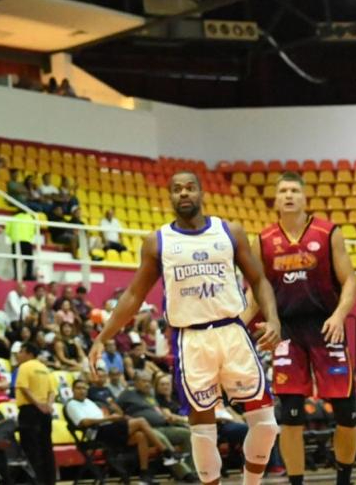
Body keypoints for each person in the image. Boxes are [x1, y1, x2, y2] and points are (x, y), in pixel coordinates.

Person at [89, 171, 282, 485]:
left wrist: (273, 319)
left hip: (233, 332)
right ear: (170, 196)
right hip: (190, 339)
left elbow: (259, 280)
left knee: (266, 425)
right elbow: (134, 295)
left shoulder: (229, 231)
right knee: (203, 432)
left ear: (201, 192)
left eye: (190, 188)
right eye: (177, 189)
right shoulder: (158, 241)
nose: (183, 193)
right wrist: (103, 336)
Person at [248, 172, 356, 485]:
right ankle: (296, 482)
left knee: (347, 414)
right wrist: (238, 325)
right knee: (291, 415)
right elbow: (257, 290)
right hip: (287, 332)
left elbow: (350, 280)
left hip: (326, 327)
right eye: (282, 190)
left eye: (294, 190)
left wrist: (339, 316)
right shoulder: (264, 240)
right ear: (276, 198)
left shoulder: (327, 232)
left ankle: (344, 479)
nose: (288, 195)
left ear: (304, 197)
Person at [64, 378, 160, 484]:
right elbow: (84, 423)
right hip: (97, 433)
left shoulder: (89, 402)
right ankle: (167, 453)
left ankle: (144, 475)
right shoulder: (71, 404)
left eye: (84, 388)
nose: (82, 391)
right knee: (141, 421)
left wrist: (112, 416)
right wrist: (109, 419)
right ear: (72, 390)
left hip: (108, 429)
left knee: (140, 436)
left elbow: (102, 417)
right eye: (78, 388)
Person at [14, 343, 55, 483]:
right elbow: (52, 391)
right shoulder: (44, 368)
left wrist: (37, 405)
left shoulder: (25, 367)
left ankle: (36, 481)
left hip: (29, 411)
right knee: (46, 449)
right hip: (45, 413)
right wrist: (48, 406)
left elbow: (24, 388)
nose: (18, 354)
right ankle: (49, 481)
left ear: (29, 353)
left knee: (31, 449)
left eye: (21, 351)